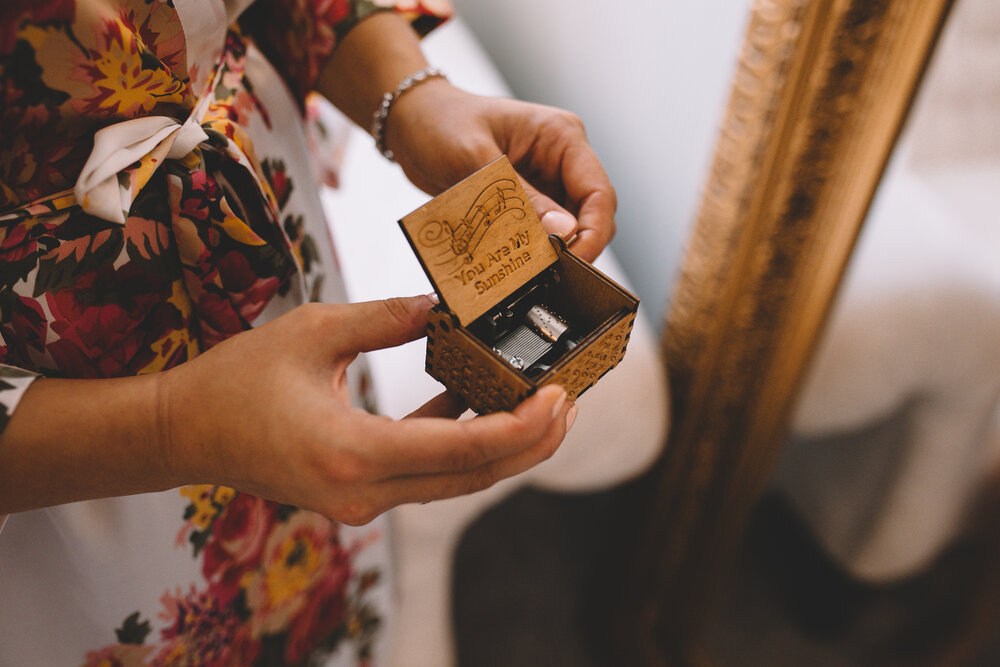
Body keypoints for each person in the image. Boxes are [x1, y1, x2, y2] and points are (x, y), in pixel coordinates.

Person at [0, 0, 616, 664]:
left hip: (264, 232)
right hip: (59, 426)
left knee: (315, 556)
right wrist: (169, 426)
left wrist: (411, 99)